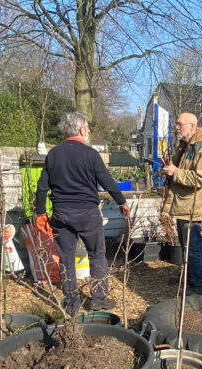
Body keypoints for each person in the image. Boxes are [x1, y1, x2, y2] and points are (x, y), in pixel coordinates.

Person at [35, 112, 130, 315]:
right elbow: (108, 182)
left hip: (61, 214)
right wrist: (121, 201)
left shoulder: (53, 154)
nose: (88, 130)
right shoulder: (90, 154)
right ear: (81, 130)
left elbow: (42, 186)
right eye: (87, 127)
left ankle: (71, 302)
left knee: (66, 257)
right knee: (97, 254)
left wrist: (40, 212)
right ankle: (98, 299)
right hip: (87, 213)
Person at [162, 112, 202, 291]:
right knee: (186, 246)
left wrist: (175, 173)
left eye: (180, 124)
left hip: (194, 205)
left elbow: (200, 178)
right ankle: (189, 277)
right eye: (176, 124)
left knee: (193, 247)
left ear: (193, 126)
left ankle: (199, 283)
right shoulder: (185, 145)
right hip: (184, 204)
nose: (177, 127)